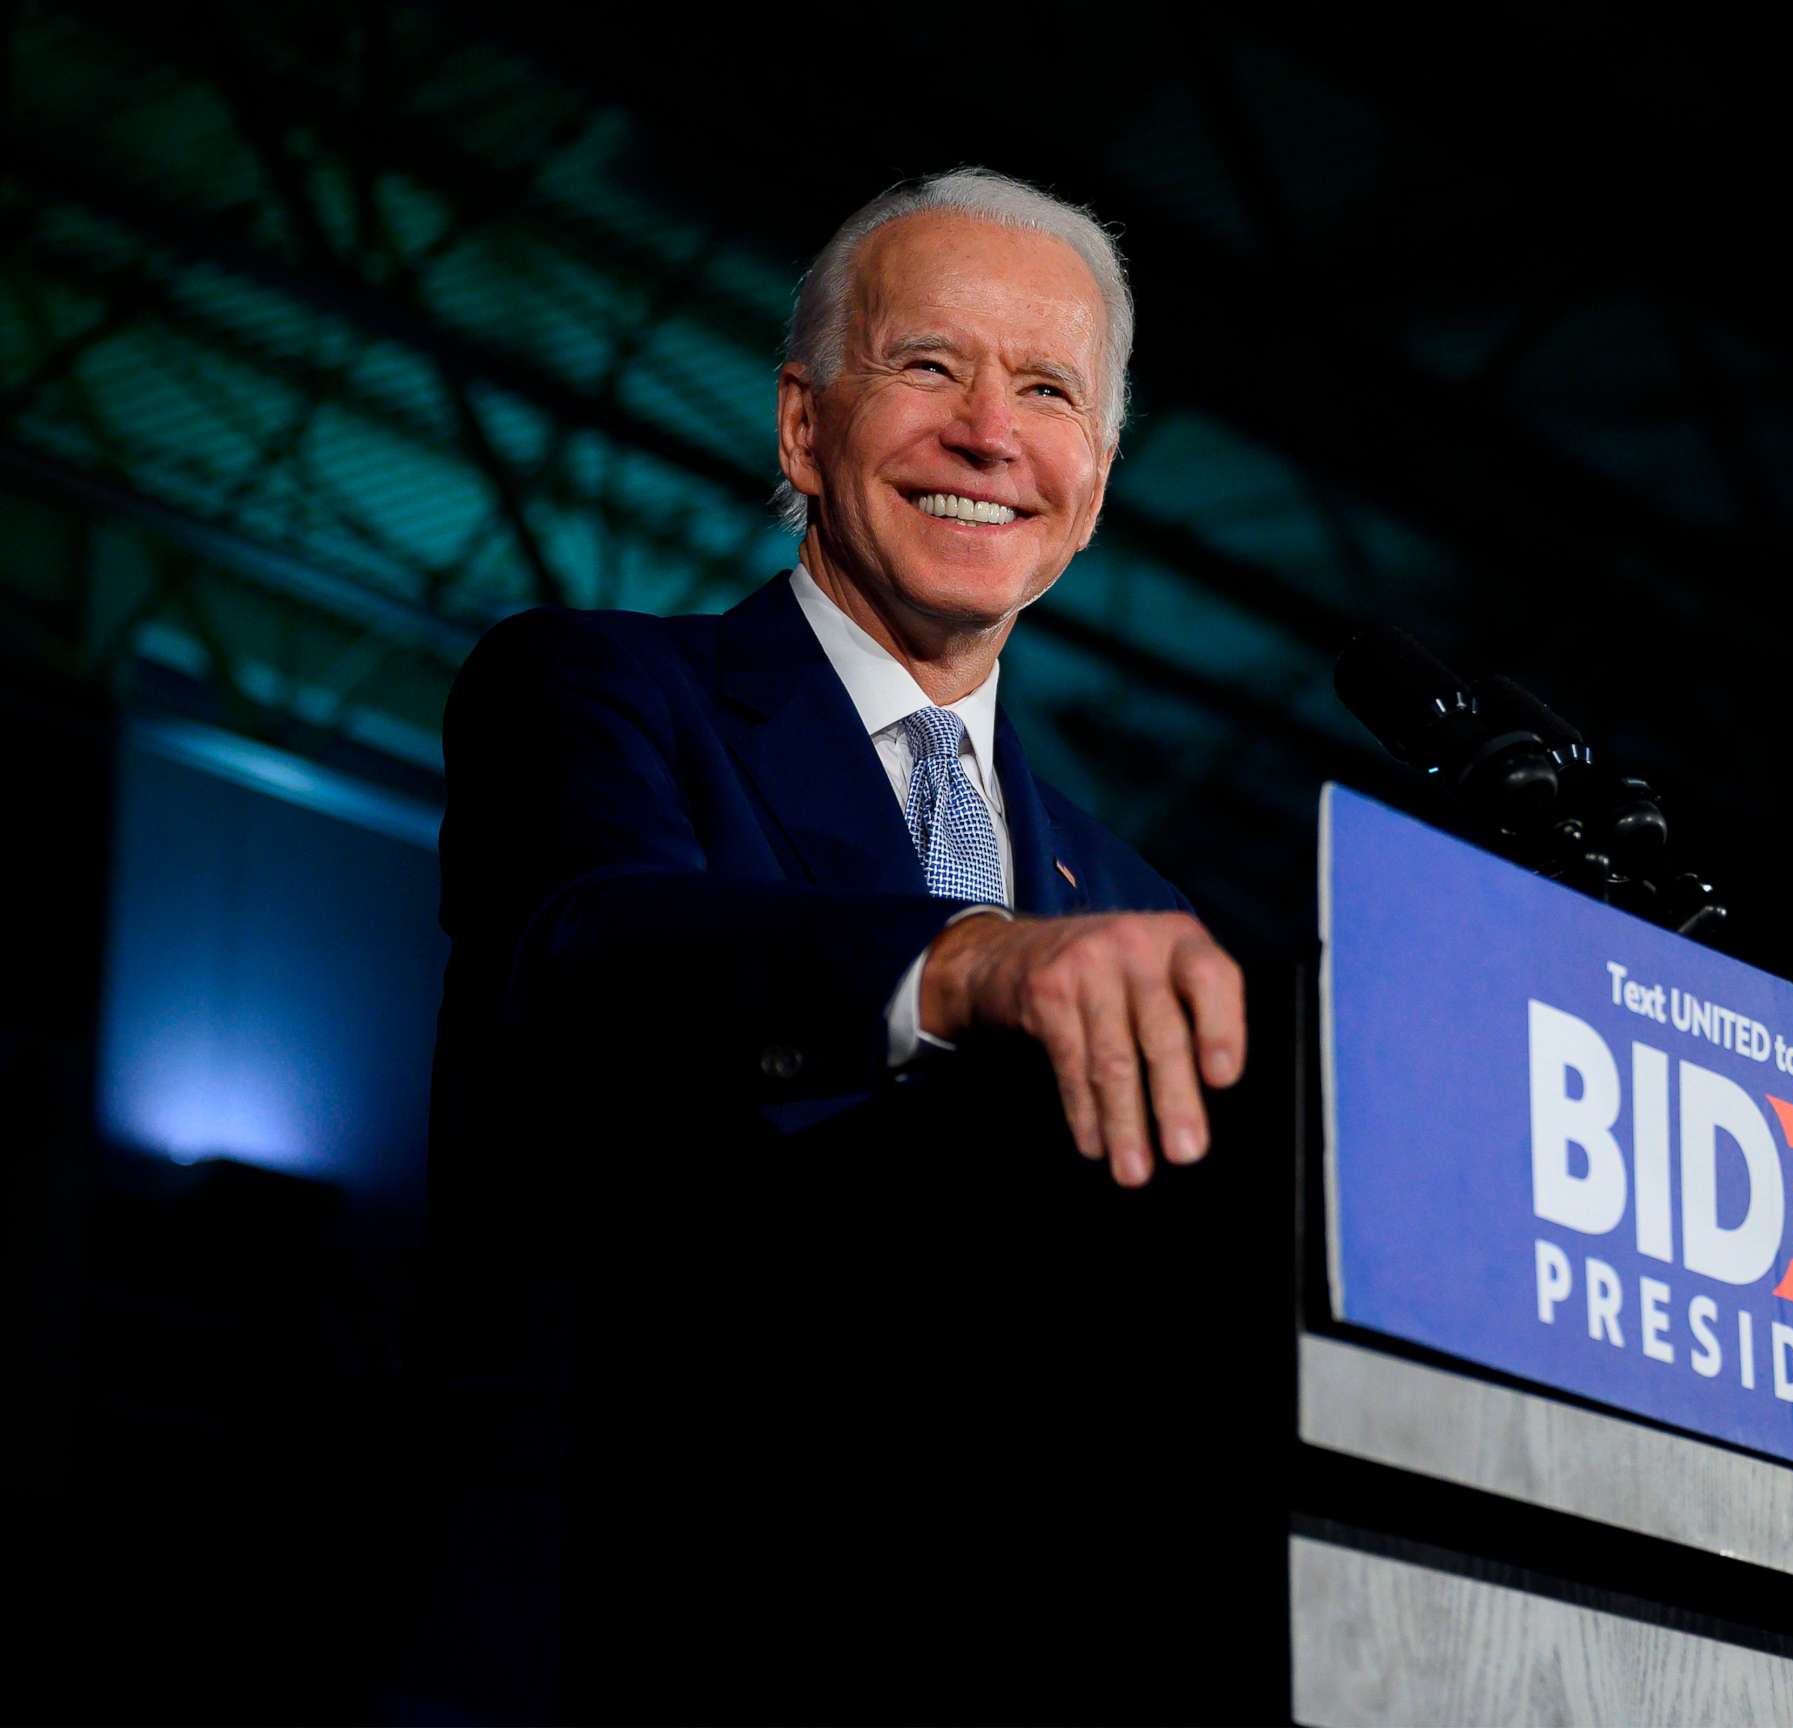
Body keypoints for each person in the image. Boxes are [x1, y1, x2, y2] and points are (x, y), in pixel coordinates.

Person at [411, 169, 1265, 1721]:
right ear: (804, 428)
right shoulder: (594, 695)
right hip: (628, 1631)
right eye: (929, 366)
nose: (989, 434)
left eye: (1048, 391)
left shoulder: (1141, 902)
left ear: (1095, 480)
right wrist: (966, 964)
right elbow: (595, 957)